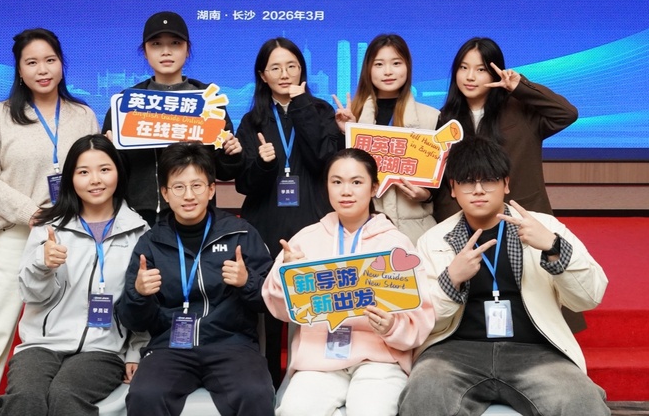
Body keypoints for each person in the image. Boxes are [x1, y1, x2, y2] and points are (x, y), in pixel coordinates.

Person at [398, 137, 609, 416]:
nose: (478, 190)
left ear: (506, 184)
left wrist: (553, 247)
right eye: (467, 182)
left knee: (581, 401)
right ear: (453, 189)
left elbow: (590, 296)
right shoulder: (434, 239)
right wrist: (452, 280)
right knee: (424, 394)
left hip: (534, 352)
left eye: (488, 181)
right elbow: (420, 319)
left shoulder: (544, 227)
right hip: (454, 353)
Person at [0, 28, 100, 416]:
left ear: (62, 64)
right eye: (32, 62)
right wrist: (30, 212)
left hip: (69, 243)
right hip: (13, 238)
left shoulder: (83, 115)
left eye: (50, 60)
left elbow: (98, 171)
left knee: (66, 335)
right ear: (19, 70)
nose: (42, 70)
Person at [263, 149, 435, 416]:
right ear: (326, 187)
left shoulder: (396, 244)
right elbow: (279, 309)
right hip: (318, 360)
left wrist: (392, 326)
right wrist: (286, 275)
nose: (346, 191)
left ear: (374, 187)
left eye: (356, 182)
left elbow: (420, 316)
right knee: (296, 410)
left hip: (379, 361)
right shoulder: (305, 239)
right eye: (337, 182)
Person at [116, 142, 275, 416]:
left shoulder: (240, 234)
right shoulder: (151, 242)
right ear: (165, 193)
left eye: (197, 186)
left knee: (255, 392)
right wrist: (139, 294)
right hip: (169, 347)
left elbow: (271, 300)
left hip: (232, 345)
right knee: (145, 394)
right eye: (178, 187)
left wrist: (247, 282)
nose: (188, 195)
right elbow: (133, 320)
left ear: (211, 189)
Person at [0, 134, 147, 416]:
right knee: (25, 397)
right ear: (70, 179)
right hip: (42, 344)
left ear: (118, 172)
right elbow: (31, 295)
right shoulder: (49, 226)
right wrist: (42, 264)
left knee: (65, 395)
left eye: (104, 169)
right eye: (83, 172)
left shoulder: (139, 231)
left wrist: (137, 350)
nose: (95, 180)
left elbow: (141, 300)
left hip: (103, 350)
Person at [235, 37, 343, 385]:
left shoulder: (321, 111)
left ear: (302, 70)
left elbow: (325, 161)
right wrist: (264, 165)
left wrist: (301, 106)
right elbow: (244, 184)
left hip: (314, 224)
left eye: (291, 66)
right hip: (265, 224)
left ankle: (308, 381)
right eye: (275, 68)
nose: (284, 74)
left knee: (313, 305)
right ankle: (267, 384)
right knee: (267, 307)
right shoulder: (252, 121)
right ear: (262, 75)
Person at [102, 11, 243, 227]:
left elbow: (224, 171)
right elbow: (114, 173)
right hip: (139, 216)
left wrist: (231, 153)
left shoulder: (208, 101)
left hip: (196, 214)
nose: (166, 51)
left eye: (175, 43)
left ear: (187, 50)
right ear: (145, 52)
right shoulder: (125, 104)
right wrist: (110, 153)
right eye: (156, 44)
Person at [434, 37, 577, 220]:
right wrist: (456, 222)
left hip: (523, 217)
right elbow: (443, 183)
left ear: (496, 73)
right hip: (467, 222)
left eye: (481, 69)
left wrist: (520, 87)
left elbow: (567, 114)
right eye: (463, 67)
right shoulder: (444, 119)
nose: (470, 76)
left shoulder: (522, 111)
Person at [333, 34, 440, 243]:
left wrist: (427, 196)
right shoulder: (350, 116)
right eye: (379, 64)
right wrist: (348, 132)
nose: (388, 71)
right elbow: (336, 177)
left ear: (408, 66)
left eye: (396, 63)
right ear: (368, 69)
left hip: (416, 233)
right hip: (361, 234)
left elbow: (443, 184)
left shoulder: (432, 117)